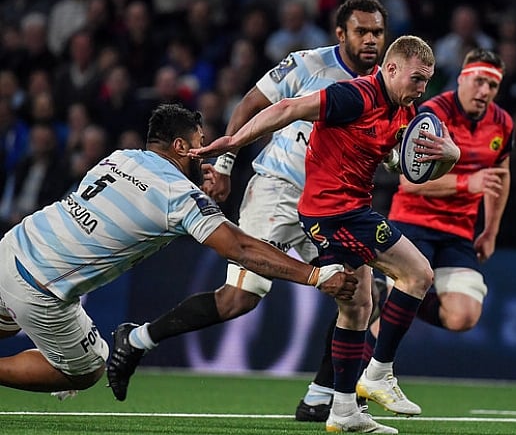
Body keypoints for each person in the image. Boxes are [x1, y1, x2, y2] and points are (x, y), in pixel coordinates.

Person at [104, 0, 393, 424]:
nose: (371, 39)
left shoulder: (387, 87)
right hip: (277, 192)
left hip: (332, 204)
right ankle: (138, 339)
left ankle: (319, 396)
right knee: (239, 299)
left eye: (378, 32)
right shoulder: (307, 64)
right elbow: (250, 105)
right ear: (340, 33)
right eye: (362, 31)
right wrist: (224, 164)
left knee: (365, 293)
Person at [192, 35, 458, 434]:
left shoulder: (403, 112)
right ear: (390, 69)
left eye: (427, 81)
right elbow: (288, 107)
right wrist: (235, 142)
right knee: (418, 274)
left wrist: (449, 157)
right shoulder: (354, 96)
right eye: (417, 79)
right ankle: (379, 372)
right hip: (334, 213)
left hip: (348, 210)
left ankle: (343, 411)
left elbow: (407, 170)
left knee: (356, 305)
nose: (422, 89)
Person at [0, 103, 356, 397]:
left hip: (14, 245)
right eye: (200, 144)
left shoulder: (120, 158)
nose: (205, 152)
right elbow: (242, 249)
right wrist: (314, 274)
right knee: (88, 368)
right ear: (181, 148)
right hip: (41, 288)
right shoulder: (177, 195)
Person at [296, 48, 513, 420]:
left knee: (461, 316)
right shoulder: (432, 112)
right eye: (479, 80)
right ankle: (344, 395)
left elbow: (500, 177)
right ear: (462, 77)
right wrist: (465, 180)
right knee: (383, 296)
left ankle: (351, 389)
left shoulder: (502, 123)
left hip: (459, 232)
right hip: (415, 220)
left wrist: (490, 229)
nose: (484, 90)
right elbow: (409, 183)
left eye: (492, 84)